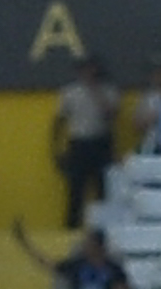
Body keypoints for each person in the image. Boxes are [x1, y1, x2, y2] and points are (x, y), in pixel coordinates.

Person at [52, 58, 121, 229]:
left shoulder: (109, 90)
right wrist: (56, 148)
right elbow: (59, 120)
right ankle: (71, 228)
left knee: (103, 190)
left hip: (101, 142)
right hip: (79, 143)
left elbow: (110, 114)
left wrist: (96, 91)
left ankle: (103, 231)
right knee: (76, 190)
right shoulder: (70, 92)